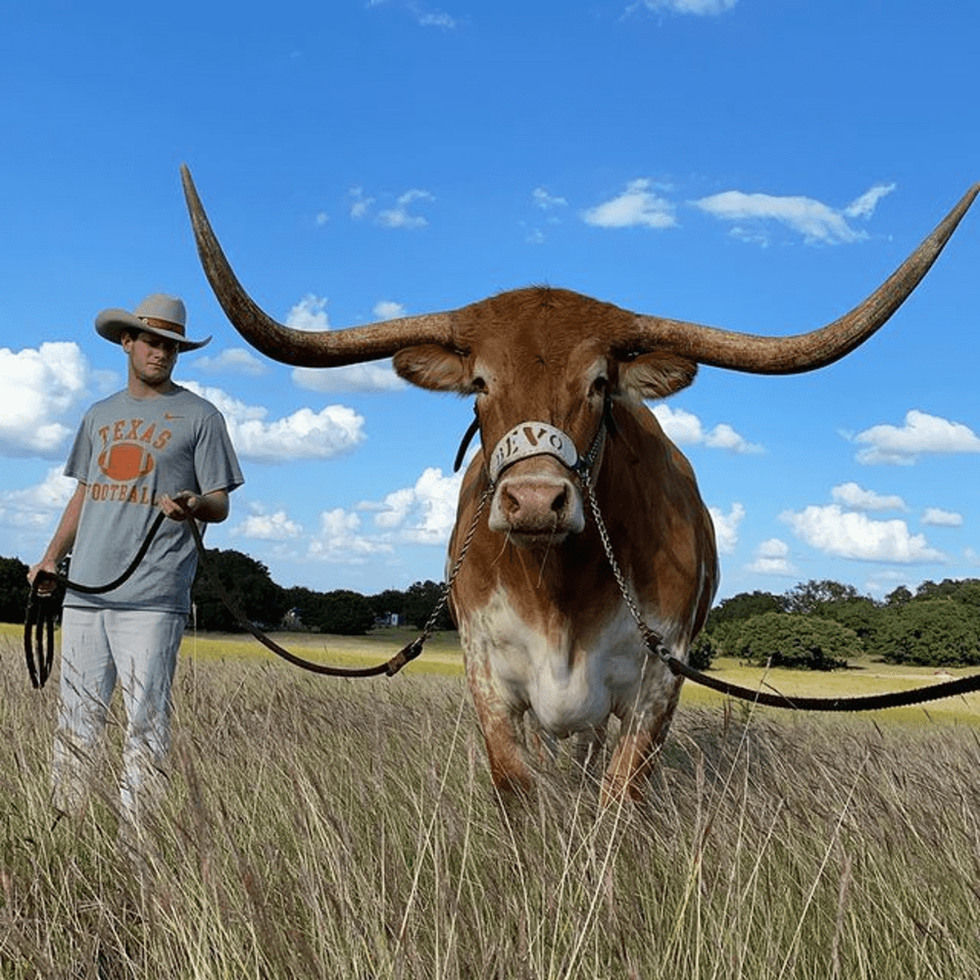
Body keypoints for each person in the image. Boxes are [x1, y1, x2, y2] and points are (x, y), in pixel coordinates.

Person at [28, 293, 244, 827]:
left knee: (144, 724)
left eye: (172, 345)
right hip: (86, 593)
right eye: (152, 341)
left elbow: (221, 501)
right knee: (75, 720)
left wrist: (197, 504)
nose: (162, 353)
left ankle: (136, 848)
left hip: (153, 595)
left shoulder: (201, 416)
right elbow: (84, 492)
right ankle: (65, 831)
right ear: (127, 342)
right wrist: (51, 557)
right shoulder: (99, 415)